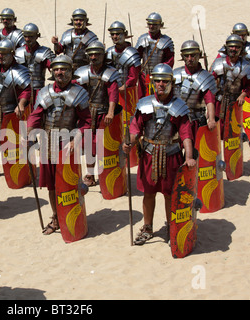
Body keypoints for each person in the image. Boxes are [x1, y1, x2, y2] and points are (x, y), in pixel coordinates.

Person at [122, 63, 196, 245]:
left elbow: (186, 133)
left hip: (171, 155)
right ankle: (147, 227)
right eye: (157, 81)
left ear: (171, 82)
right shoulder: (145, 104)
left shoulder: (179, 107)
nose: (161, 84)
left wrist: (189, 156)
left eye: (164, 81)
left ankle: (172, 226)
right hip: (148, 154)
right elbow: (136, 128)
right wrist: (129, 143)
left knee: (170, 194)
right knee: (148, 193)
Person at [27, 55, 91, 235]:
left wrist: (75, 139)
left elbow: (86, 122)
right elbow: (36, 115)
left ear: (71, 71)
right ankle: (56, 217)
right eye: (56, 69)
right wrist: (30, 132)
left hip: (68, 144)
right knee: (52, 185)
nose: (59, 72)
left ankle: (73, 215)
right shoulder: (44, 92)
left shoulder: (79, 93)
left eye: (63, 69)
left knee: (69, 183)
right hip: (48, 142)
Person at [0, 39, 31, 180]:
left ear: (12, 53)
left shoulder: (20, 71)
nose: (1, 56)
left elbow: (26, 90)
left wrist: (21, 103)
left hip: (12, 112)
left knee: (15, 141)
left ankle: (21, 167)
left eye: (4, 53)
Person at [74, 41, 120, 186]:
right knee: (89, 145)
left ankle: (107, 174)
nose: (94, 57)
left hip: (103, 114)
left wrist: (111, 112)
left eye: (97, 54)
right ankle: (89, 174)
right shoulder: (82, 72)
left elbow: (113, 94)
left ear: (103, 55)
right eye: (91, 54)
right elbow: (75, 91)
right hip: (88, 115)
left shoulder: (110, 73)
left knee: (104, 145)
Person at [210, 34, 250, 136]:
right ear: (226, 48)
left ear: (241, 49)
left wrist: (243, 95)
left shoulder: (246, 66)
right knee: (217, 130)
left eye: (237, 47)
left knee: (233, 130)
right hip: (219, 100)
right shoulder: (218, 63)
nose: (233, 49)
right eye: (231, 46)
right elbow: (210, 83)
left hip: (235, 101)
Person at [173, 40, 218, 139]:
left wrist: (211, 119)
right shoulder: (175, 74)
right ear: (182, 57)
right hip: (176, 119)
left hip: (196, 120)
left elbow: (209, 100)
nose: (190, 59)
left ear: (199, 55)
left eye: (193, 55)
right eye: (187, 56)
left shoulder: (206, 77)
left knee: (195, 152)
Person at [14, 23, 55, 105]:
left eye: (31, 36)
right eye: (25, 36)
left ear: (37, 36)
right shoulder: (18, 52)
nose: (27, 39)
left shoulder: (44, 52)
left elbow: (53, 67)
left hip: (38, 90)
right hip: (21, 90)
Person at [135, 12, 174, 96]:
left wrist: (161, 73)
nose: (151, 26)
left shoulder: (166, 41)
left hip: (160, 77)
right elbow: (136, 58)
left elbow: (169, 61)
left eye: (154, 24)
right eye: (150, 24)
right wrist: (138, 71)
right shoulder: (142, 39)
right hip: (144, 76)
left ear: (160, 25)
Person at [106, 21, 144, 99]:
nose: (115, 36)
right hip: (112, 90)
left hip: (128, 91)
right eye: (112, 34)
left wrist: (125, 86)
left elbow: (133, 76)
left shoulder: (132, 53)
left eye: (118, 34)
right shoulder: (109, 52)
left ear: (125, 34)